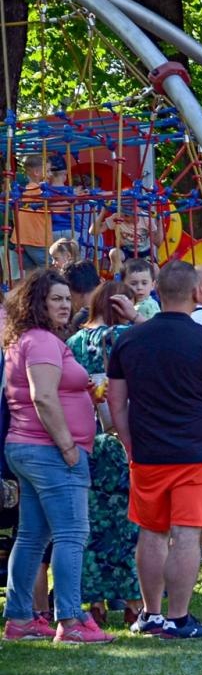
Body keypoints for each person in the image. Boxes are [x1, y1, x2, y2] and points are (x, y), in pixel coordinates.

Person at [107, 259, 202, 639]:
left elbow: (116, 403)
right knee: (185, 535)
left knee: (151, 533)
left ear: (156, 291)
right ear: (195, 293)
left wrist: (129, 443)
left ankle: (150, 615)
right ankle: (179, 618)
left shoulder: (129, 339)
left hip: (148, 453)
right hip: (199, 454)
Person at [1, 270, 104, 643]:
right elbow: (42, 396)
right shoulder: (42, 342)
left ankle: (19, 619)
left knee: (31, 536)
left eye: (66, 298)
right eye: (55, 299)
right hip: (50, 451)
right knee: (72, 534)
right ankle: (72, 621)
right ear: (36, 303)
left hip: (28, 448)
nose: (65, 305)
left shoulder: (25, 340)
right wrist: (67, 447)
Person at [67, 282, 147, 620]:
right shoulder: (129, 336)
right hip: (126, 435)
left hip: (88, 436)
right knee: (131, 521)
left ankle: (94, 602)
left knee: (92, 522)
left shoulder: (73, 342)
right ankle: (132, 601)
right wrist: (138, 318)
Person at [14, 154, 50, 270]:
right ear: (37, 172)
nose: (50, 175)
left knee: (31, 272)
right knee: (49, 268)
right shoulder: (38, 190)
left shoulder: (27, 189)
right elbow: (55, 204)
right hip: (36, 238)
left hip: (23, 237)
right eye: (48, 170)